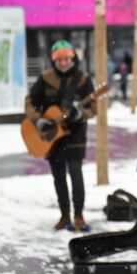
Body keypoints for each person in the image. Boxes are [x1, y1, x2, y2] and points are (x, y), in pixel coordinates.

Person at [24, 40, 96, 231]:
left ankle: (79, 215)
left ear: (72, 57)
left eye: (66, 58)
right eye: (59, 59)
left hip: (75, 134)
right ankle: (64, 215)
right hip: (50, 136)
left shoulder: (83, 79)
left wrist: (81, 113)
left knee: (75, 172)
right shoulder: (45, 78)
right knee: (58, 177)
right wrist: (38, 120)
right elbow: (30, 102)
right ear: (53, 61)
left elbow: (92, 107)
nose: (63, 63)